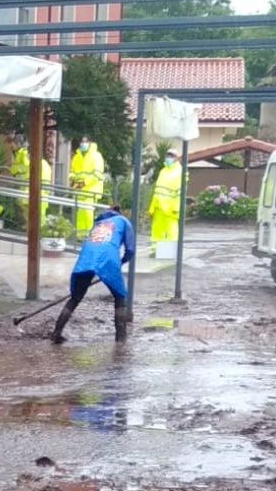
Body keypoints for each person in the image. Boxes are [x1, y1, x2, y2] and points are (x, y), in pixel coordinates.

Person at [50, 203, 135, 345]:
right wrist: (120, 262)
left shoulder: (98, 223)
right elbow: (130, 250)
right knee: (120, 296)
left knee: (76, 297)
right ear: (119, 212)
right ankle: (121, 339)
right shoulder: (124, 221)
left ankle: (56, 332)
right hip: (107, 258)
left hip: (86, 257)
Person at [69, 136, 107, 233]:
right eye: (81, 142)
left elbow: (97, 174)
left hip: (91, 190)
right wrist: (72, 179)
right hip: (79, 189)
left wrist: (84, 183)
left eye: (85, 142)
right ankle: (80, 235)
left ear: (90, 143)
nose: (83, 144)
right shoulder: (77, 156)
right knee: (80, 213)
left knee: (87, 211)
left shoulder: (96, 156)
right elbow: (72, 171)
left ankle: (89, 233)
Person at [151, 148, 185, 245]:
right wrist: (152, 206)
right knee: (156, 231)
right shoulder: (163, 171)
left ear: (177, 158)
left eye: (172, 156)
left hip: (171, 209)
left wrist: (176, 207)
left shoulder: (180, 172)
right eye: (168, 155)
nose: (169, 158)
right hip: (158, 207)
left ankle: (171, 251)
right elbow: (157, 190)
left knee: (171, 232)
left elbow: (180, 191)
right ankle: (155, 250)